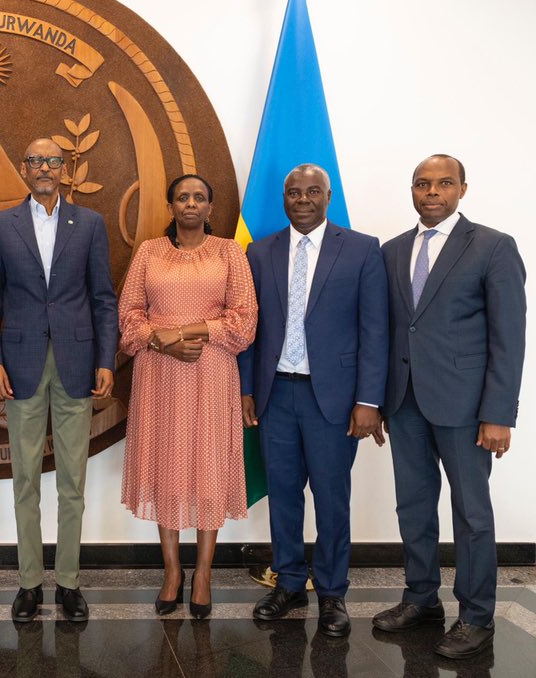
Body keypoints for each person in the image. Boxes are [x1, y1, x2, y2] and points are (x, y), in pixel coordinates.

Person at [372, 155, 526, 659]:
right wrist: (375, 400)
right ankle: (421, 599)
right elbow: (390, 331)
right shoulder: (393, 251)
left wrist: (499, 412)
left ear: (463, 188)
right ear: (412, 190)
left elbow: (509, 337)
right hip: (405, 402)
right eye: (422, 183)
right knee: (413, 506)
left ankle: (476, 616)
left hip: (465, 408)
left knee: (471, 513)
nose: (431, 191)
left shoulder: (493, 247)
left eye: (443, 183)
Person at [238, 163, 388, 637]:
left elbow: (374, 330)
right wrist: (247, 389)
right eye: (293, 192)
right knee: (283, 497)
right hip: (276, 393)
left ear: (328, 195)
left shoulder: (362, 249)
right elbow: (250, 331)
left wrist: (368, 400)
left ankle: (331, 593)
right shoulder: (260, 252)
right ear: (284, 198)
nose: (301, 199)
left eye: (312, 192)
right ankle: (287, 583)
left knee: (331, 499)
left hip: (336, 400)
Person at [0, 137, 119, 623]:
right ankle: (30, 582)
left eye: (53, 161)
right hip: (20, 364)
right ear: (24, 166)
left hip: (78, 362)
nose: (44, 168)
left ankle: (70, 583)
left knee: (73, 481)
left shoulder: (90, 223)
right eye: (35, 160)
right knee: (25, 479)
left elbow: (103, 297)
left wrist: (106, 358)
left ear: (65, 168)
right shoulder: (0, 225)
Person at [118, 174, 257, 618]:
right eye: (183, 197)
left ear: (211, 208)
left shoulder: (230, 253)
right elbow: (129, 318)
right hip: (159, 373)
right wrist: (162, 343)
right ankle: (173, 571)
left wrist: (188, 332)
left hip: (212, 371)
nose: (191, 203)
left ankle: (203, 573)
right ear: (171, 206)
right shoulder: (149, 253)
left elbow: (244, 322)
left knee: (208, 465)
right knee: (166, 465)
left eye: (200, 196)